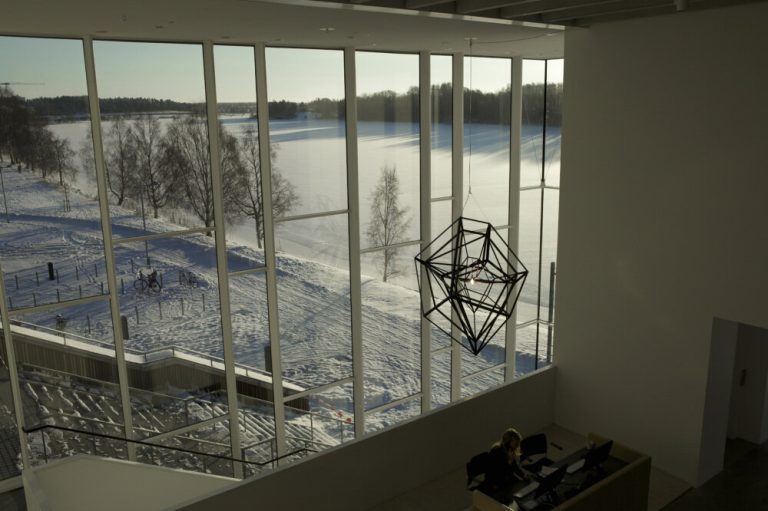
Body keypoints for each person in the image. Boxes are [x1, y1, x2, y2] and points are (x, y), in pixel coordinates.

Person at [479, 428, 529, 503]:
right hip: (497, 481)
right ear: (509, 441)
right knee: (512, 493)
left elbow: (514, 466)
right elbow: (499, 472)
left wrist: (523, 475)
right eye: (516, 443)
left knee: (522, 486)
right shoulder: (497, 451)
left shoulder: (510, 449)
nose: (517, 446)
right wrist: (509, 462)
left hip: (506, 476)